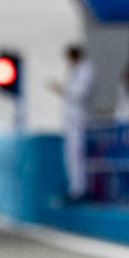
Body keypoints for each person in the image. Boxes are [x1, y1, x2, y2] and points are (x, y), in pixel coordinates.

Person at [51, 44, 95, 200]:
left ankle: (80, 189)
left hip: (79, 118)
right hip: (70, 119)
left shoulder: (87, 70)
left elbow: (81, 94)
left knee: (77, 153)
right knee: (70, 155)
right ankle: (74, 188)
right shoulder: (74, 71)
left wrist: (63, 90)